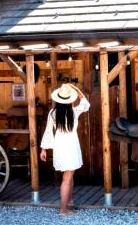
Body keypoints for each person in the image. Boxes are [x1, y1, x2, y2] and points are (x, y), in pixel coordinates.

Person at [40, 83, 90, 215]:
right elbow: (86, 104)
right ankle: (63, 210)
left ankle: (71, 201)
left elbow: (48, 132)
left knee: (69, 175)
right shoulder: (74, 111)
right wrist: (76, 89)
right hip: (71, 146)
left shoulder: (52, 113)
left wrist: (44, 149)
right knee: (67, 178)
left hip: (60, 146)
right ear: (70, 99)